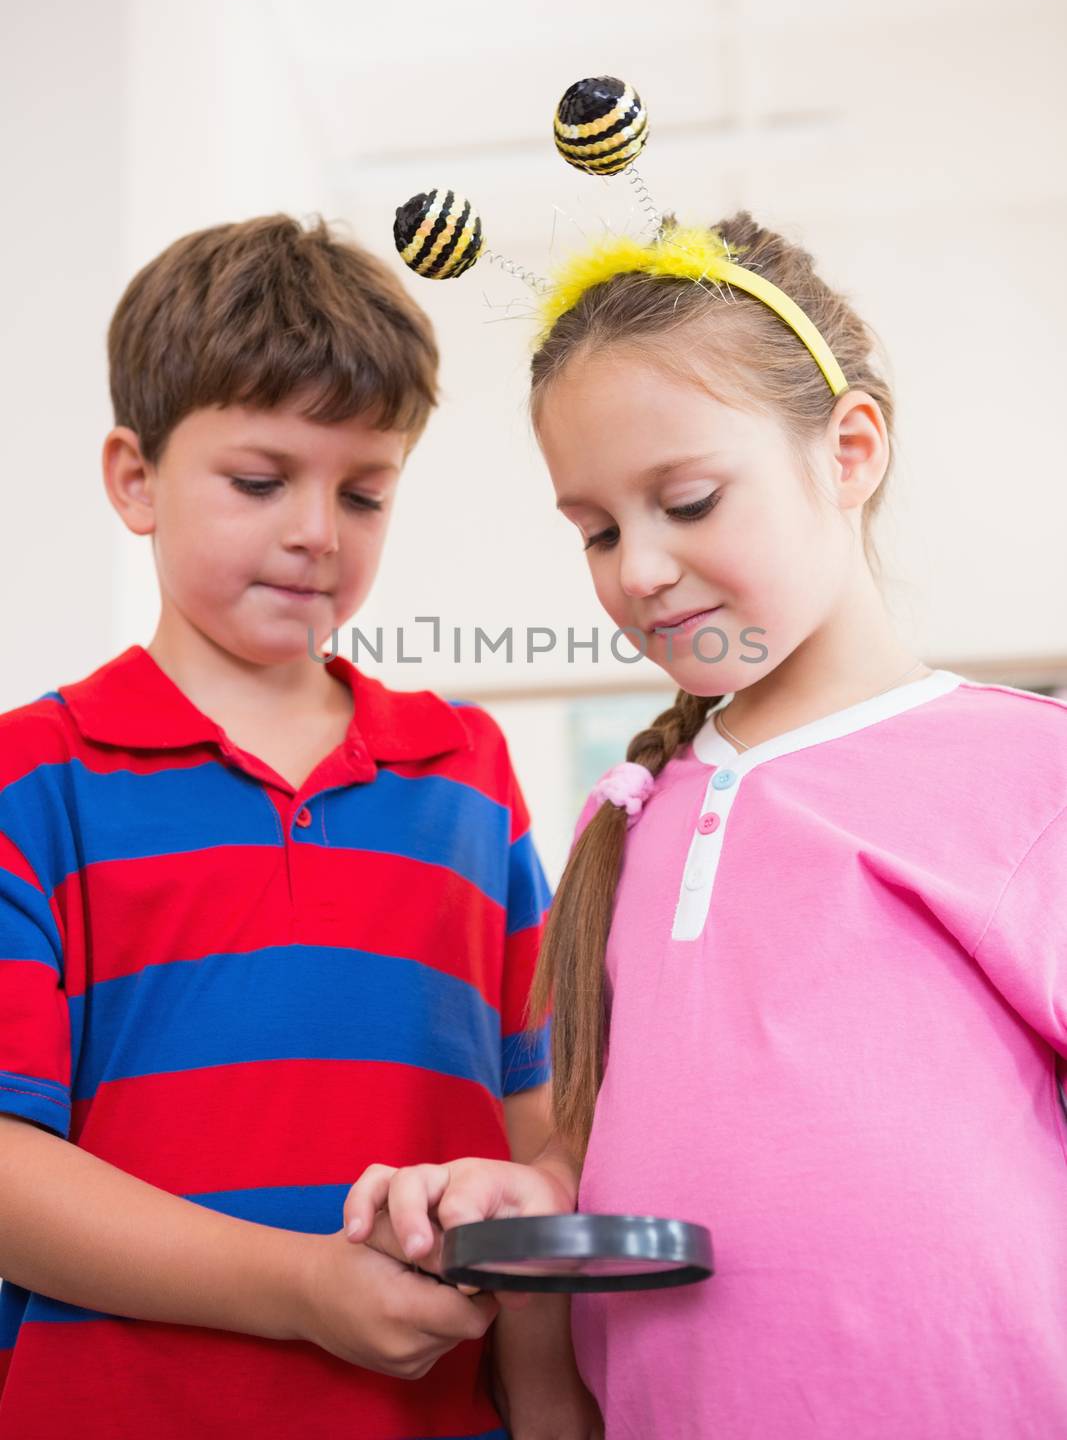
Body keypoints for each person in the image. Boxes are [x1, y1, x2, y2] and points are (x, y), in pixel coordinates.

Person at [345, 212, 1067, 1438]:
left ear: (847, 452)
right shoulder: (629, 820)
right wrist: (525, 1194)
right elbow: (605, 1152)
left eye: (685, 500)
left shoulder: (1024, 772)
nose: (638, 570)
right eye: (598, 530)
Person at [0, 214, 597, 1439]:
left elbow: (541, 1127)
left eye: (364, 491)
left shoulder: (466, 774)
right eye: (261, 481)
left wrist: (540, 1340)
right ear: (134, 479)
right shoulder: (29, 782)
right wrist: (301, 1291)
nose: (318, 531)